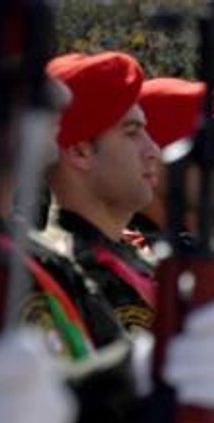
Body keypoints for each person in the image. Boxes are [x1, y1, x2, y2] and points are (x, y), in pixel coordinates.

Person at [43, 51, 161, 333]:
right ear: (81, 152)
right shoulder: (66, 271)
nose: (153, 150)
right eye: (132, 132)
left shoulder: (131, 255)